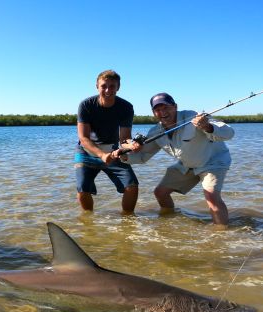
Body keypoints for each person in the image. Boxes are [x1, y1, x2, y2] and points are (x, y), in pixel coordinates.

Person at [122, 93, 235, 227]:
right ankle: (169, 222)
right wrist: (124, 156)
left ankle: (221, 235)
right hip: (188, 164)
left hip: (213, 162)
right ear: (153, 113)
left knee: (211, 196)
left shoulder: (195, 116)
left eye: (166, 108)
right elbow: (142, 156)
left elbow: (229, 132)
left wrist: (207, 126)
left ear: (175, 107)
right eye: (158, 109)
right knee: (160, 192)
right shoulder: (155, 131)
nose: (163, 112)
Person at [75, 70, 139, 214]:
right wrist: (102, 155)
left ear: (118, 87)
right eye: (104, 86)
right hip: (86, 151)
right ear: (97, 86)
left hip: (113, 151)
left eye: (112, 86)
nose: (108, 90)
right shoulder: (86, 105)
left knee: (132, 186)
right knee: (82, 189)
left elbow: (124, 138)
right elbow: (83, 138)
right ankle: (88, 220)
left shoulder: (126, 107)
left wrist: (131, 145)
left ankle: (128, 221)